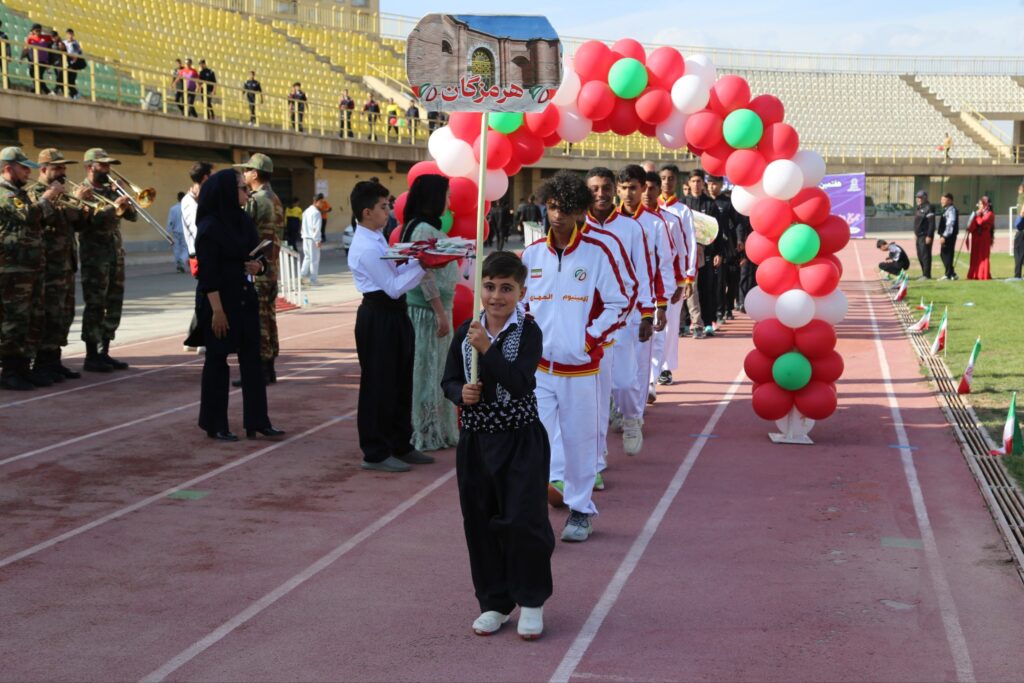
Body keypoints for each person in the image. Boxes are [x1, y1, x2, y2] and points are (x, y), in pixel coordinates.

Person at [441, 250, 553, 640]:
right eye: (489, 287)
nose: (496, 296)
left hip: (519, 441)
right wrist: (461, 394)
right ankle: (493, 602)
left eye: (506, 288)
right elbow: (449, 380)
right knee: (479, 521)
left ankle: (532, 600)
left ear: (521, 291)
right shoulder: (466, 331)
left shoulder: (528, 332)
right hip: (476, 442)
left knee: (524, 521)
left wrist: (487, 350)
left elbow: (520, 383)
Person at [521, 171, 628, 543]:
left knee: (581, 441)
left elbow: (621, 300)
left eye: (565, 209)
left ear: (579, 211)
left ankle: (581, 510)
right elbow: (521, 304)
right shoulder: (533, 255)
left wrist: (589, 338)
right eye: (552, 207)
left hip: (582, 370)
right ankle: (539, 504)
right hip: (539, 371)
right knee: (537, 440)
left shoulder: (598, 254)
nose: (557, 216)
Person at [346, 180, 431, 473]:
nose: (389, 211)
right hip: (378, 316)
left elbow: (396, 272)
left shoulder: (378, 237)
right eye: (383, 207)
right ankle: (375, 451)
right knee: (378, 385)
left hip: (394, 315)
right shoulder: (365, 246)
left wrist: (418, 258)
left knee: (400, 381)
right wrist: (425, 265)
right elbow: (393, 287)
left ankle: (400, 443)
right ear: (367, 212)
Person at [194, 169, 285, 442]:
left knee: (252, 359)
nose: (247, 193)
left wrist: (259, 266)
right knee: (217, 360)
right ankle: (215, 423)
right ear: (225, 191)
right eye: (242, 188)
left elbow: (257, 252)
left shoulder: (243, 220)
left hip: (244, 296)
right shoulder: (209, 226)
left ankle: (258, 421)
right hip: (217, 302)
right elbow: (207, 275)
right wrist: (218, 312)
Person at [614, 165, 673, 446]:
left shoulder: (654, 223)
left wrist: (661, 305)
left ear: (643, 189)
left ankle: (634, 417)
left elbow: (662, 266)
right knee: (612, 365)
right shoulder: (606, 222)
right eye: (623, 187)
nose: (629, 193)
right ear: (618, 189)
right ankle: (618, 408)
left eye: (634, 187)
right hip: (611, 309)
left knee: (638, 366)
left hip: (642, 307)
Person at [400, 174, 458, 453]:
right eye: (446, 195)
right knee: (427, 372)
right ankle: (425, 431)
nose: (449, 201)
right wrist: (439, 311)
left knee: (434, 371)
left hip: (434, 310)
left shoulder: (425, 227)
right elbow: (424, 273)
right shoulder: (422, 229)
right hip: (426, 313)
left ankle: (437, 429)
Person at [28, 148, 90, 384]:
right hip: (47, 266)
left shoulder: (64, 193)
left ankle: (54, 361)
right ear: (44, 169)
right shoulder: (35, 193)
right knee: (46, 316)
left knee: (63, 316)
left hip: (65, 265)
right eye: (57, 168)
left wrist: (82, 204)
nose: (63, 172)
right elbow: (37, 220)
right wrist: (52, 197)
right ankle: (42, 363)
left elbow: (78, 225)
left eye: (64, 168)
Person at [0, 147, 58, 390]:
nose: (27, 172)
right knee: (13, 320)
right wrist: (47, 198)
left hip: (30, 267)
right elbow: (28, 215)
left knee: (31, 319)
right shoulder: (4, 193)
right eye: (23, 167)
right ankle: (9, 370)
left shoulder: (19, 192)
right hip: (12, 268)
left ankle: (23, 367)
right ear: (7, 168)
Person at [80, 148, 135, 372]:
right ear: (89, 166)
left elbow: (132, 216)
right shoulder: (82, 191)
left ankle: (105, 351)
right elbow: (85, 223)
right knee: (95, 305)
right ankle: (91, 354)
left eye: (108, 165)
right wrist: (115, 208)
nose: (107, 169)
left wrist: (127, 202)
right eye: (102, 165)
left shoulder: (112, 191)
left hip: (115, 255)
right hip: (95, 258)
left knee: (114, 303)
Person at [234, 153, 284, 384]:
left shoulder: (256, 200)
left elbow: (241, 229)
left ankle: (260, 371)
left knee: (258, 321)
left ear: (255, 174)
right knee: (268, 317)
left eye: (246, 170)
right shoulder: (274, 198)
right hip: (271, 267)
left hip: (258, 269)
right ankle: (269, 366)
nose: (244, 174)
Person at [640, 171, 687, 392]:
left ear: (660, 191)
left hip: (662, 289)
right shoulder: (627, 221)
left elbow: (680, 254)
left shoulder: (671, 221)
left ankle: (650, 382)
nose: (647, 193)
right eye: (645, 188)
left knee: (659, 336)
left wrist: (680, 283)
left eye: (652, 188)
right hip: (635, 290)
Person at [658, 165, 700, 339]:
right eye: (664, 178)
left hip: (676, 274)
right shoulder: (650, 208)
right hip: (654, 273)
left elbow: (691, 243)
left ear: (677, 181)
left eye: (671, 178)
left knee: (671, 322)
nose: (667, 182)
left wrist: (689, 276)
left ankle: (666, 364)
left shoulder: (683, 210)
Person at [682, 169, 724, 337]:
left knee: (707, 288)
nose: (696, 184)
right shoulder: (683, 203)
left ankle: (707, 323)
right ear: (689, 183)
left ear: (703, 184)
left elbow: (717, 231)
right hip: (686, 256)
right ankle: (686, 324)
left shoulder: (710, 204)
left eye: (699, 181)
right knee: (688, 289)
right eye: (693, 181)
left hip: (706, 254)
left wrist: (718, 252)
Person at [707, 175, 740, 322]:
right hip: (708, 246)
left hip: (726, 247)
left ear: (721, 185)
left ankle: (726, 308)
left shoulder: (727, 203)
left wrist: (739, 240)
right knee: (713, 281)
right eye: (709, 183)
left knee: (728, 280)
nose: (711, 186)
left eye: (715, 184)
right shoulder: (705, 202)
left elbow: (737, 222)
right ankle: (716, 311)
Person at [966, 196, 995, 280]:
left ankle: (983, 274)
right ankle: (974, 274)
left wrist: (977, 216)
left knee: (983, 256)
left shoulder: (990, 214)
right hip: (976, 237)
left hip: (984, 238)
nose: (978, 205)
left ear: (985, 205)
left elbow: (981, 222)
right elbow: (972, 225)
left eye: (980, 204)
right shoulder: (978, 213)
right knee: (975, 255)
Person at [22, 24, 52, 95]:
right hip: (34, 61)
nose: (38, 32)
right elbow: (26, 49)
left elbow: (54, 39)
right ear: (33, 31)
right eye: (36, 30)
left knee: (38, 75)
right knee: (33, 74)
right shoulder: (30, 38)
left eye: (39, 30)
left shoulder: (46, 37)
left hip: (43, 61)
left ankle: (44, 91)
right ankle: (36, 89)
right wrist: (22, 57)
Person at [913, 190, 936, 280]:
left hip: (925, 235)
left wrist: (929, 235)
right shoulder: (919, 207)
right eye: (917, 197)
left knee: (925, 255)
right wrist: (915, 233)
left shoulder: (929, 208)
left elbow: (932, 223)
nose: (918, 199)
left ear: (925, 198)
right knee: (920, 255)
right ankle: (924, 273)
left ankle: (927, 275)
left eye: (920, 197)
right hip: (918, 235)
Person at [300, 197, 322, 285]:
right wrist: (317, 240)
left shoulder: (306, 211)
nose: (322, 204)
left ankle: (302, 276)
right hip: (312, 239)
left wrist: (303, 234)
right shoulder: (316, 213)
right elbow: (316, 228)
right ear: (316, 201)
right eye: (321, 202)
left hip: (305, 237)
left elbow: (302, 225)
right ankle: (313, 280)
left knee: (307, 258)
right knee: (314, 260)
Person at [937, 192, 959, 281]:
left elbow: (950, 224)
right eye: (941, 199)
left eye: (944, 199)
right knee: (944, 254)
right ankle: (952, 273)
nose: (941, 201)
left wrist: (944, 236)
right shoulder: (947, 209)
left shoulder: (951, 210)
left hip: (949, 236)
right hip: (946, 235)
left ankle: (948, 274)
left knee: (947, 254)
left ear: (950, 201)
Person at [62, 29, 84, 100]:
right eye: (68, 34)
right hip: (65, 63)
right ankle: (73, 94)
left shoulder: (75, 44)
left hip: (72, 65)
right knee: (66, 80)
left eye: (71, 34)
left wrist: (72, 62)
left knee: (71, 80)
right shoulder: (64, 42)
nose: (70, 36)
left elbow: (76, 55)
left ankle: (74, 94)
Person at [168, 191, 187, 272]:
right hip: (185, 231)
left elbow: (170, 221)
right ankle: (182, 260)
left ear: (178, 198)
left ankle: (178, 266)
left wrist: (168, 232)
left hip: (175, 231)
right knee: (186, 248)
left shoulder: (173, 209)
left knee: (176, 249)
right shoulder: (187, 208)